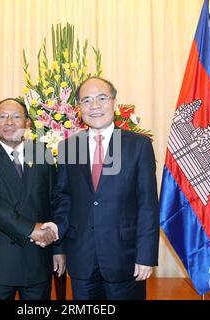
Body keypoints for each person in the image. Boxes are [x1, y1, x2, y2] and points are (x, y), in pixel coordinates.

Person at [43, 77, 159, 300]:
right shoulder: (69, 147)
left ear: (114, 102)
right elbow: (63, 198)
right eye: (86, 100)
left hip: (125, 259)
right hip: (81, 259)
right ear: (78, 108)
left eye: (101, 98)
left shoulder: (138, 145)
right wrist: (57, 242)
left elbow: (148, 205)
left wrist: (146, 255)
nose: (94, 106)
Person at [0, 98, 65, 300]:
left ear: (27, 123)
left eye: (16, 116)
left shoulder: (43, 155)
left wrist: (58, 248)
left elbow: (54, 203)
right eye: (2, 117)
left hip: (38, 258)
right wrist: (31, 229)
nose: (9, 122)